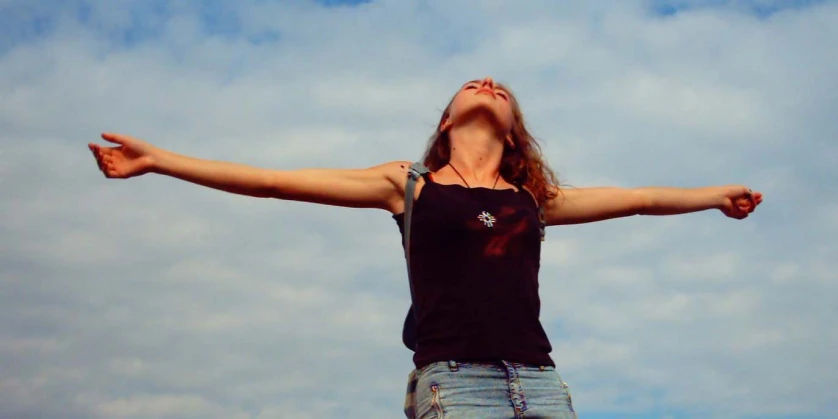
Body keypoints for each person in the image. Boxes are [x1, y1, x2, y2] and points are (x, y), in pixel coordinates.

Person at [89, 76, 763, 419]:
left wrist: (712, 193)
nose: (488, 83)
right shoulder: (406, 185)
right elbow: (271, 182)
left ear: (514, 129)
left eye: (502, 89)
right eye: (474, 84)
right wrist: (160, 160)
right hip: (456, 385)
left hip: (541, 383)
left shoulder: (534, 198)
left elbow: (640, 198)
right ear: (446, 120)